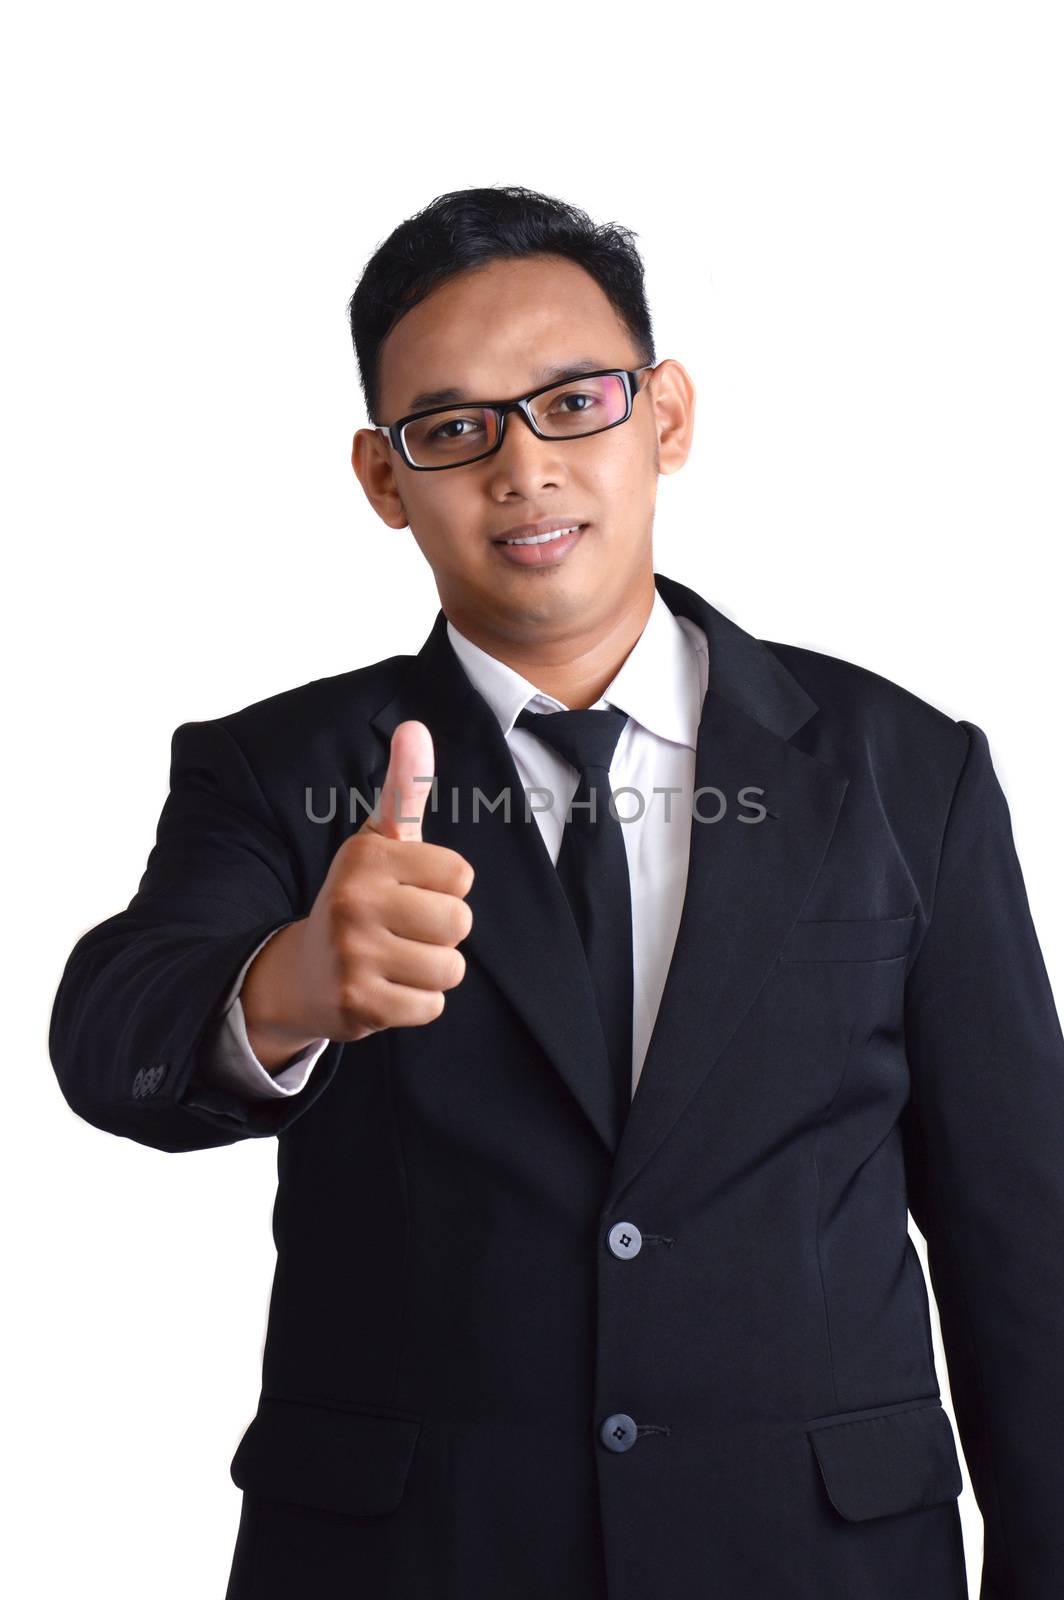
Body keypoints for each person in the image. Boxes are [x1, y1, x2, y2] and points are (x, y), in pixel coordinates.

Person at [49, 184, 1064, 1599]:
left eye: (573, 401)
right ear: (383, 478)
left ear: (667, 417)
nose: (521, 468)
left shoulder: (907, 770)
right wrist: (284, 987)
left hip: (820, 1558)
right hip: (415, 1561)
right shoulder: (279, 770)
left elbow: (1023, 1231)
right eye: (454, 428)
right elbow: (110, 1037)